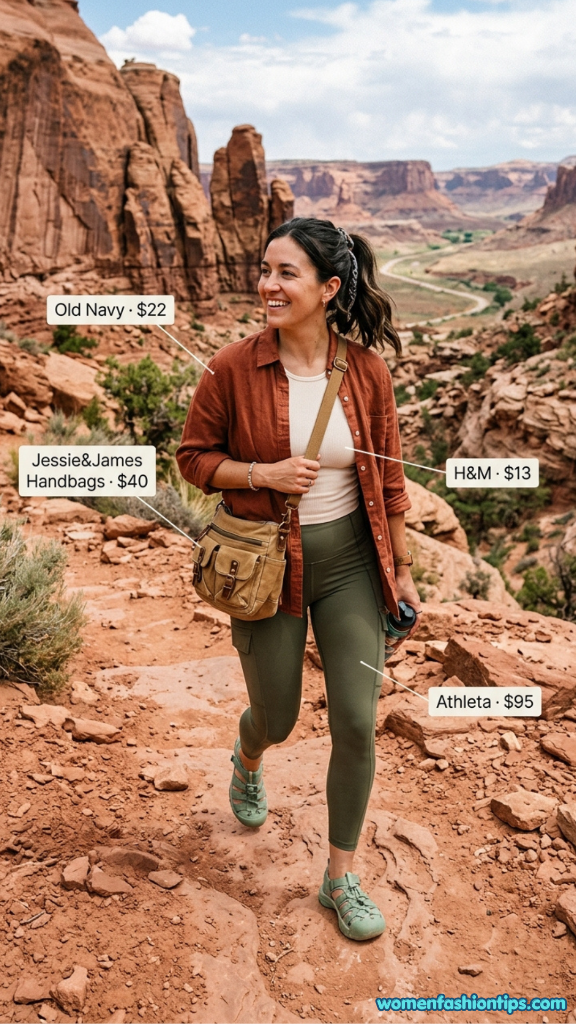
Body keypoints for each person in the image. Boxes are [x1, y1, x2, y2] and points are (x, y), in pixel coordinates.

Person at [176, 217, 421, 941]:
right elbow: (193, 459)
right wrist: (262, 473)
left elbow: (393, 481)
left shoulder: (367, 371)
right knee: (278, 718)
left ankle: (339, 878)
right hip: (266, 569)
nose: (268, 285)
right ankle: (248, 755)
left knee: (355, 720)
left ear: (329, 288)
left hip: (350, 564)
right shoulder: (230, 368)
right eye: (265, 269)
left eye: (286, 273)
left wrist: (401, 572)